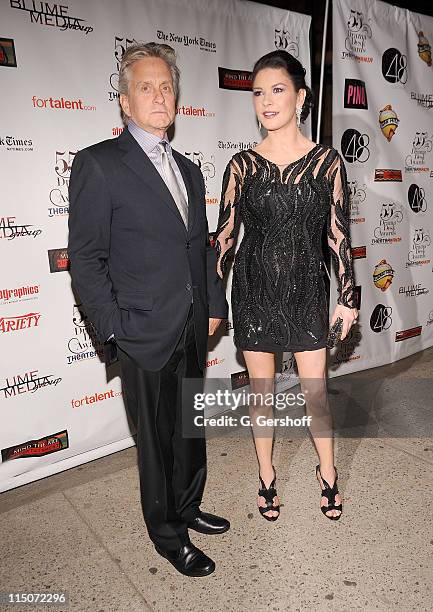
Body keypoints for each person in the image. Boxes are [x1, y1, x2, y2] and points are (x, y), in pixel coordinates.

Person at [68, 42, 229, 577]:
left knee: (188, 425)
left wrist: (212, 303)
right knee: (156, 443)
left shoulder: (189, 168)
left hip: (190, 323)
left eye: (166, 87)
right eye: (146, 87)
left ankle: (188, 507)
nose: (159, 96)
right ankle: (167, 534)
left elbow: (201, 245)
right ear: (125, 102)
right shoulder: (98, 165)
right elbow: (86, 260)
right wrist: (112, 330)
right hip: (140, 329)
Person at [214, 50, 358, 522]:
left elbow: (339, 235)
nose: (267, 101)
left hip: (307, 292)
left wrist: (349, 299)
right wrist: (214, 297)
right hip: (254, 293)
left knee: (315, 394)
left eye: (277, 90)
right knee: (263, 394)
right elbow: (225, 241)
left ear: (300, 97)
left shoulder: (326, 163)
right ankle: (267, 477)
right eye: (258, 92)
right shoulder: (241, 166)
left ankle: (329, 474)